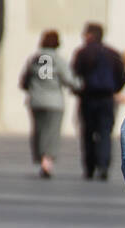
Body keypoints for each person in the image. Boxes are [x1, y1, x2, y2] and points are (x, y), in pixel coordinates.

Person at [18, 30, 80, 178]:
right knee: (52, 132)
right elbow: (69, 80)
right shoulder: (58, 59)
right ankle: (47, 161)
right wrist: (79, 86)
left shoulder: (34, 59)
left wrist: (33, 88)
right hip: (55, 102)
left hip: (36, 101)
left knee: (38, 131)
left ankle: (40, 158)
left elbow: (24, 81)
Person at [72, 22, 125, 180]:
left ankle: (89, 167)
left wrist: (78, 89)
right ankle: (103, 166)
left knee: (88, 133)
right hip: (106, 98)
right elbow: (123, 76)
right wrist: (115, 89)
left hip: (88, 97)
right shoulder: (112, 54)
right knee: (105, 132)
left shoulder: (83, 53)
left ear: (90, 35)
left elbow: (75, 74)